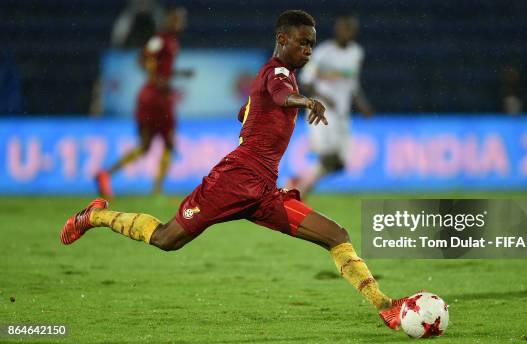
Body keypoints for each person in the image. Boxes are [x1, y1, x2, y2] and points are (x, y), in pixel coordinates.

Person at [61, 10, 408, 331]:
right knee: (167, 239)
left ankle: (385, 306)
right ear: (282, 39)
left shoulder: (275, 76)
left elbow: (247, 108)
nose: (308, 50)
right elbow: (279, 93)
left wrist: (254, 114)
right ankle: (94, 216)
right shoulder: (278, 73)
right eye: (302, 42)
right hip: (233, 181)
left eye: (312, 44)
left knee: (336, 234)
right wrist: (306, 102)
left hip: (263, 192)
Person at [96, 7, 193, 198]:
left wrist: (178, 74)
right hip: (154, 98)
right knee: (166, 142)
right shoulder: (161, 39)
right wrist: (155, 79)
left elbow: (160, 69)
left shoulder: (171, 42)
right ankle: (156, 191)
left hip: (157, 96)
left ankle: (106, 174)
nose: (182, 24)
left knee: (148, 145)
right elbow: (144, 58)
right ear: (171, 20)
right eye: (179, 20)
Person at [287, 12, 374, 198]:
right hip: (322, 112)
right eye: (344, 28)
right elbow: (307, 82)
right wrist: (326, 96)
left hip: (343, 114)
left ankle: (297, 184)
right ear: (337, 29)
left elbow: (353, 83)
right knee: (328, 157)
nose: (347, 32)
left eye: (350, 29)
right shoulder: (323, 53)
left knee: (339, 163)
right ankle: (298, 193)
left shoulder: (356, 53)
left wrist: (362, 104)